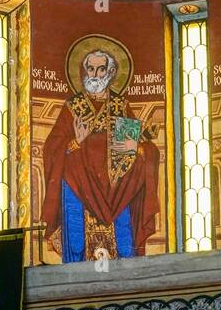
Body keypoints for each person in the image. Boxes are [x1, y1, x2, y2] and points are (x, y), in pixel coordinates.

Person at [42, 43, 159, 262]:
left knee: (124, 245)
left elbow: (143, 148)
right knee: (77, 244)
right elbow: (52, 148)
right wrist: (75, 142)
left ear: (111, 72)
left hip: (117, 191)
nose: (95, 74)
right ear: (84, 72)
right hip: (80, 187)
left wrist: (138, 148)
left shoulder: (121, 106)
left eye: (101, 69)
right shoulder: (72, 107)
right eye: (91, 69)